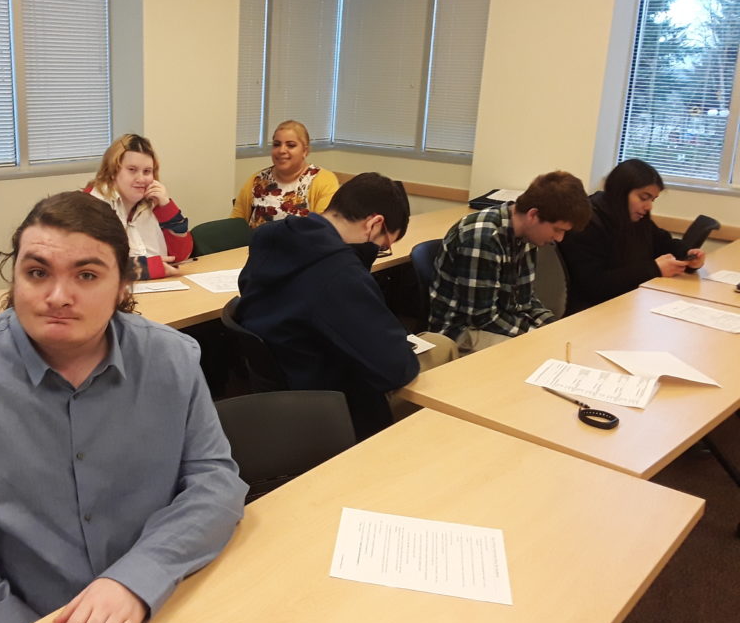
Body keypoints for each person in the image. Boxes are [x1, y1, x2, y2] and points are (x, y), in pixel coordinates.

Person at [0, 191, 246, 623]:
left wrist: (136, 579)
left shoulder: (173, 358)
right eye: (37, 273)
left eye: (87, 275)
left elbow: (214, 480)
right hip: (9, 615)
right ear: (15, 276)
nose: (58, 296)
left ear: (124, 284)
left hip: (155, 595)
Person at [235, 172, 457, 440]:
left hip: (288, 383)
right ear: (374, 224)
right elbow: (397, 369)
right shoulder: (339, 274)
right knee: (442, 348)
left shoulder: (270, 235)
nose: (378, 253)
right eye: (383, 246)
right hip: (337, 406)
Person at [429, 170, 591, 353]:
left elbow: (525, 300)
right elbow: (481, 318)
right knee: (539, 353)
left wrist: (552, 326)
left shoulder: (528, 235)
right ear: (533, 215)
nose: (559, 238)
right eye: (557, 229)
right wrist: (534, 334)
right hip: (460, 333)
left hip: (498, 324)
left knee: (556, 343)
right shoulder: (483, 239)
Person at [558, 158, 706, 314]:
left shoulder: (634, 218)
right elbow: (594, 285)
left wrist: (688, 255)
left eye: (652, 199)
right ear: (620, 192)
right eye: (643, 198)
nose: (648, 206)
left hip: (629, 306)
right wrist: (653, 269)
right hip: (593, 312)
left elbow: (664, 242)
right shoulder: (588, 223)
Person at [86, 134, 192, 280]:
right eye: (132, 170)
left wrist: (166, 207)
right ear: (112, 172)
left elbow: (180, 256)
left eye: (147, 171)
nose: (141, 179)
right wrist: (145, 268)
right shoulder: (90, 205)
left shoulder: (152, 202)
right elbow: (89, 265)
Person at [230, 120, 340, 228]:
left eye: (291, 145)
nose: (281, 150)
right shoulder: (257, 180)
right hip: (256, 245)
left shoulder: (324, 181)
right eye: (276, 144)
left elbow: (323, 230)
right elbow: (236, 225)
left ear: (305, 151)